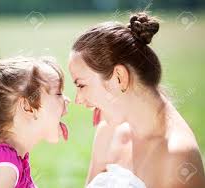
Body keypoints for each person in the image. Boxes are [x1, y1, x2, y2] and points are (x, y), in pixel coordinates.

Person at [68, 12, 205, 188]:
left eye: (81, 85)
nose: (78, 100)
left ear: (119, 77)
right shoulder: (108, 131)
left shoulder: (178, 157)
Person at [0, 56, 70, 188]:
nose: (67, 99)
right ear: (28, 107)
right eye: (58, 93)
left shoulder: (4, 159)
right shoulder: (4, 169)